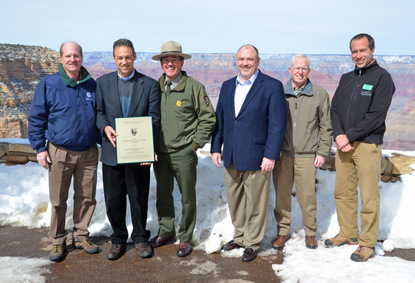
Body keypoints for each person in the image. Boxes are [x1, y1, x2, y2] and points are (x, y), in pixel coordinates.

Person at [211, 44, 287, 262]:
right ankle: (241, 236)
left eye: (250, 59)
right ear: (237, 60)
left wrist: (270, 155)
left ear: (258, 61)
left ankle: (252, 242)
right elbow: (221, 120)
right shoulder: (227, 86)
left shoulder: (271, 86)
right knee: (235, 201)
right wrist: (216, 147)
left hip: (257, 155)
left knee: (255, 202)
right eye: (241, 59)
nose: (245, 63)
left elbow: (277, 124)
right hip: (232, 154)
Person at [28, 41, 101, 262]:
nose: (72, 59)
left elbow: (100, 117)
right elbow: (36, 117)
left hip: (88, 152)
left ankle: (81, 236)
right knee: (58, 199)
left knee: (87, 197)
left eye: (76, 56)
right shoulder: (49, 83)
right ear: (61, 58)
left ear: (81, 57)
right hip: (59, 151)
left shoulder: (91, 85)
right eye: (68, 56)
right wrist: (40, 148)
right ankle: (58, 241)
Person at [325, 33, 395, 262]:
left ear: (372, 50)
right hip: (344, 146)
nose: (358, 55)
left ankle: (366, 244)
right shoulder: (346, 78)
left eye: (362, 50)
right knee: (343, 192)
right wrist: (338, 136)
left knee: (368, 197)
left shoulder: (383, 78)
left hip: (367, 145)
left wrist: (349, 136)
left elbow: (376, 116)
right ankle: (348, 233)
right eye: (354, 51)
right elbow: (334, 109)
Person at [149, 41, 216, 257]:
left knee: (187, 196)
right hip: (160, 153)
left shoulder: (194, 88)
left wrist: (194, 145)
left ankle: (185, 237)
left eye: (174, 59)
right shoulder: (154, 88)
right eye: (166, 59)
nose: (170, 63)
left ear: (181, 61)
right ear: (161, 63)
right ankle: (166, 231)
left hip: (183, 153)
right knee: (163, 194)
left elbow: (208, 118)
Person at [96, 38, 160, 260]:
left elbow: (154, 119)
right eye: (120, 57)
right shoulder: (102, 83)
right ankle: (118, 239)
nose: (124, 61)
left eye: (128, 57)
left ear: (134, 57)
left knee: (138, 196)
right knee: (114, 199)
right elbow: (99, 112)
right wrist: (105, 127)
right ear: (114, 59)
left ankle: (141, 238)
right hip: (112, 151)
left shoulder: (150, 85)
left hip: (138, 151)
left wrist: (148, 147)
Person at [271, 55, 332, 250]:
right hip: (282, 154)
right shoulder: (279, 93)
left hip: (307, 155)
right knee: (282, 196)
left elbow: (326, 126)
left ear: (309, 71)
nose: (300, 71)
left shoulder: (319, 94)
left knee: (307, 197)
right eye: (296, 68)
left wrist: (322, 151)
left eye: (304, 69)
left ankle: (310, 233)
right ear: (289, 70)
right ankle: (282, 231)